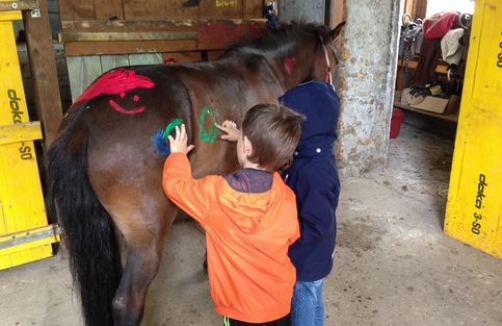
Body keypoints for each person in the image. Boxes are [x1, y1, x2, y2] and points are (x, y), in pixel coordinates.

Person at [162, 103, 305, 326]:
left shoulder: (214, 196)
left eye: (241, 138)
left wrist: (178, 155)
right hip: (279, 304)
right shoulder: (285, 197)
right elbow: (291, 236)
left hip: (240, 312)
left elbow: (175, 186)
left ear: (246, 146)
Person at [278, 80, 341, 326]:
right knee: (314, 297)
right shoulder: (315, 154)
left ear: (305, 128)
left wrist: (288, 244)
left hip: (306, 258)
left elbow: (318, 224)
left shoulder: (313, 173)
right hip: (317, 254)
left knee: (303, 301)